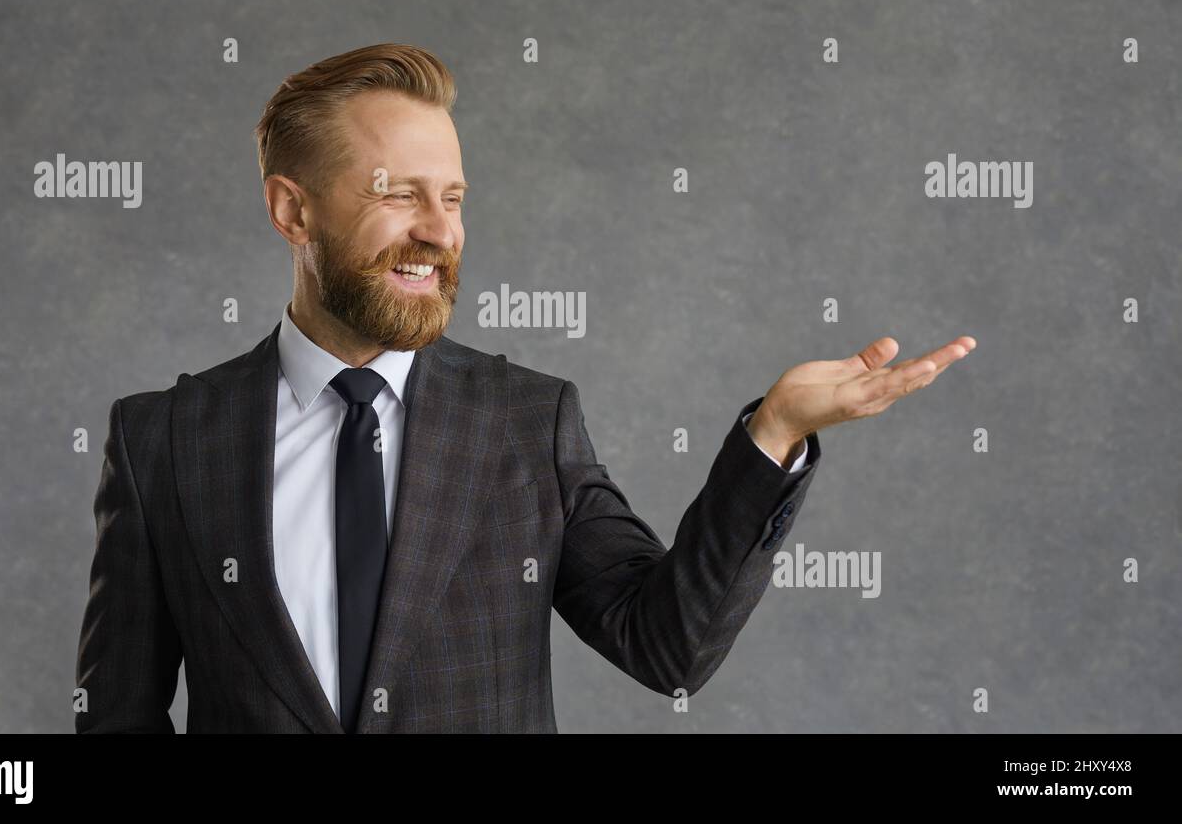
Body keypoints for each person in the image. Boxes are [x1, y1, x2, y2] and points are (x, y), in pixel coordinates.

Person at [74, 42, 974, 733]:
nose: (439, 231)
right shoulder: (163, 441)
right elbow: (116, 716)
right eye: (400, 195)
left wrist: (774, 431)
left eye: (455, 198)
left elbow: (665, 646)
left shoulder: (526, 422)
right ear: (291, 209)